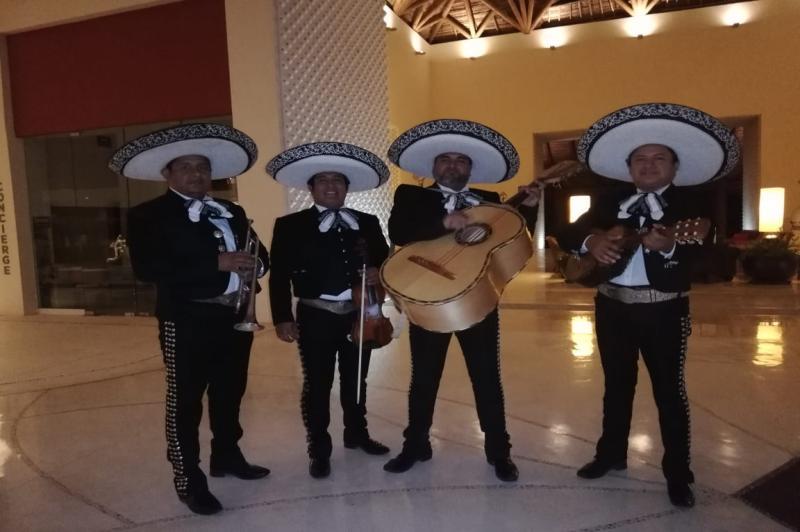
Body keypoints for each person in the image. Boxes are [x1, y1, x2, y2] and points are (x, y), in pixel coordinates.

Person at [556, 103, 740, 507]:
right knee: (616, 387)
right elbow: (569, 231)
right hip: (610, 308)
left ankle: (678, 473)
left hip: (663, 311)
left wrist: (671, 246)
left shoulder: (694, 206)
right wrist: (592, 242)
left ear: (675, 167)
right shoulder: (611, 199)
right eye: (640, 158)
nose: (649, 165)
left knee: (668, 393)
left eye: (659, 158)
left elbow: (712, 260)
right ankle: (610, 455)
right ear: (629, 167)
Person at [109, 123, 271, 515]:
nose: (197, 174)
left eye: (202, 167)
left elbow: (259, 252)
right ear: (168, 174)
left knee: (230, 393)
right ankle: (187, 478)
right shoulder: (148, 214)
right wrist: (216, 262)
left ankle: (227, 456)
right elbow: (147, 268)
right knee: (185, 402)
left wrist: (257, 266)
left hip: (234, 315)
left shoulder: (231, 210)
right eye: (186, 167)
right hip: (186, 319)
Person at [382, 119, 540, 482]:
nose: (453, 166)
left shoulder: (492, 201)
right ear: (434, 167)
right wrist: (444, 222)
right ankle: (415, 445)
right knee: (424, 376)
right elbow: (399, 231)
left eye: (461, 160)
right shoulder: (412, 195)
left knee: (486, 377)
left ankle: (499, 452)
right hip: (430, 297)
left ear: (470, 168)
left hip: (477, 297)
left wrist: (529, 208)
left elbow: (508, 240)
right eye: (445, 160)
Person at [266, 142, 391, 479]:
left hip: (360, 313)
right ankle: (319, 449)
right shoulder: (290, 225)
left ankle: (357, 434)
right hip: (316, 314)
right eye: (323, 180)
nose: (331, 186)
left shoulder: (367, 221)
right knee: (317, 384)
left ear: (347, 188)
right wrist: (282, 317)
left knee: (357, 380)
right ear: (311, 188)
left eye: (338, 180)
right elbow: (279, 275)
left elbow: (387, 263)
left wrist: (383, 271)